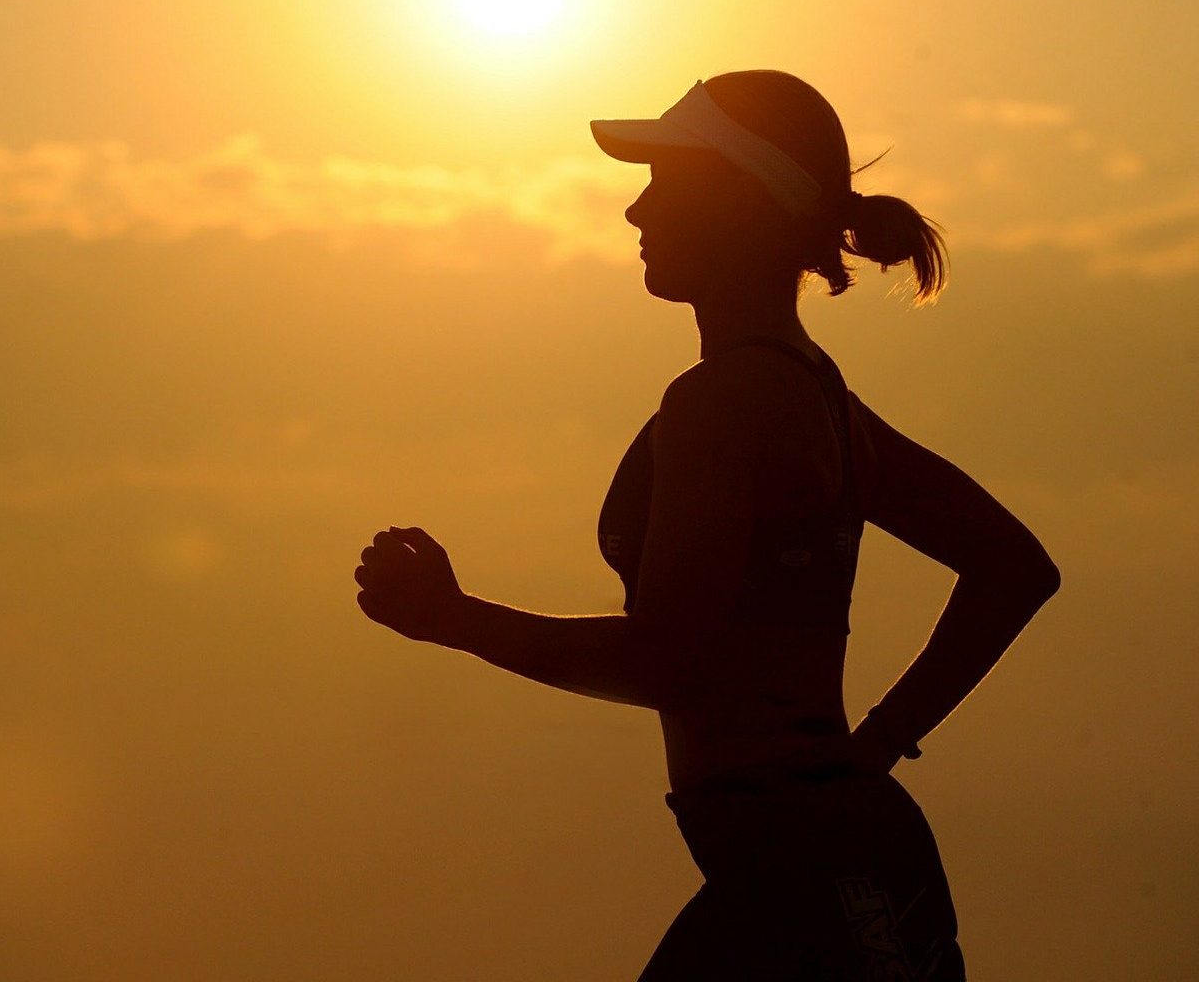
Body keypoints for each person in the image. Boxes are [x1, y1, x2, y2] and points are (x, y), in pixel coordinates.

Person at [351, 70, 1060, 980]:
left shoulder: (724, 401)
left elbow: (668, 663)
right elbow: (1014, 566)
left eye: (664, 182)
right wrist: (875, 746)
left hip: (806, 883)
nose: (635, 214)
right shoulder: (815, 395)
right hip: (831, 865)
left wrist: (455, 621)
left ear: (741, 201)